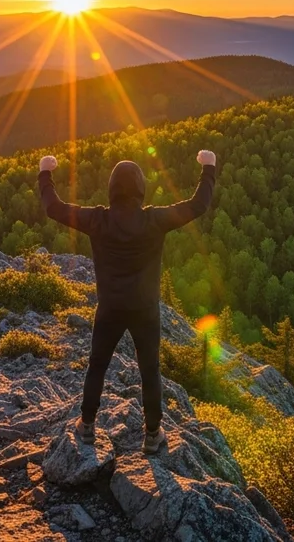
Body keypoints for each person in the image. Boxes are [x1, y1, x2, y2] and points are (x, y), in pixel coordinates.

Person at [38, 150, 217, 454]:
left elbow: (54, 208)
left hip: (110, 309)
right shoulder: (154, 220)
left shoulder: (97, 219)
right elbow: (197, 205)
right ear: (140, 188)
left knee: (97, 365)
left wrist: (45, 172)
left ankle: (87, 426)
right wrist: (208, 167)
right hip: (145, 310)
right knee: (150, 369)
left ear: (111, 188)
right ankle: (152, 434)